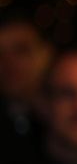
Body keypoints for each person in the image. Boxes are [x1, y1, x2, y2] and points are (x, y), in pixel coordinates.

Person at [0, 14, 53, 156]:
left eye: (21, 50)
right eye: (0, 54)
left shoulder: (66, 120)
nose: (9, 62)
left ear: (46, 54)